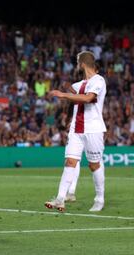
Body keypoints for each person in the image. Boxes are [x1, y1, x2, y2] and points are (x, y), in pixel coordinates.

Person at [45, 51, 107, 212]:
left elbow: (87, 98)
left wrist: (62, 94)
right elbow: (73, 93)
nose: (77, 65)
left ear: (83, 64)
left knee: (94, 165)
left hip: (93, 129)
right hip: (76, 130)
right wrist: (66, 114)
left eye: (78, 62)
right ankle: (60, 198)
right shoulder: (79, 84)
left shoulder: (99, 81)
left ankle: (99, 199)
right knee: (70, 162)